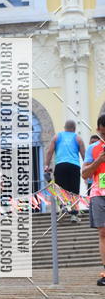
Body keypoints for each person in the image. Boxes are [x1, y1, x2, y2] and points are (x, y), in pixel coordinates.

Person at [45, 121, 85, 222]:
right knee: (74, 191)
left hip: (60, 166)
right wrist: (87, 167)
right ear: (74, 128)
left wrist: (46, 165)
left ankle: (63, 208)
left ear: (64, 127)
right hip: (74, 166)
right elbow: (84, 154)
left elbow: (50, 152)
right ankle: (74, 215)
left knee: (60, 189)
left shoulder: (57, 137)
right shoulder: (78, 138)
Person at [81, 117, 105, 286]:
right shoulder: (93, 149)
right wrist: (99, 161)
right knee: (103, 232)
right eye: (103, 132)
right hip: (98, 193)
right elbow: (84, 174)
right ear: (98, 129)